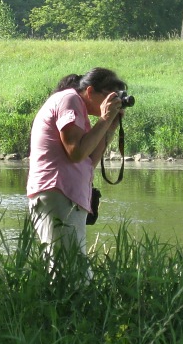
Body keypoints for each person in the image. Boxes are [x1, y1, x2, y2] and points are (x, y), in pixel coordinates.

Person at [26, 67, 127, 279]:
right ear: (90, 91)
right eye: (109, 97)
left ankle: (73, 301)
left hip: (66, 195)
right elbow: (75, 152)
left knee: (74, 269)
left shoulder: (79, 110)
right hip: (56, 192)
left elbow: (88, 161)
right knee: (66, 271)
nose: (112, 102)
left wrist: (109, 127)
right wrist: (104, 119)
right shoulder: (68, 100)